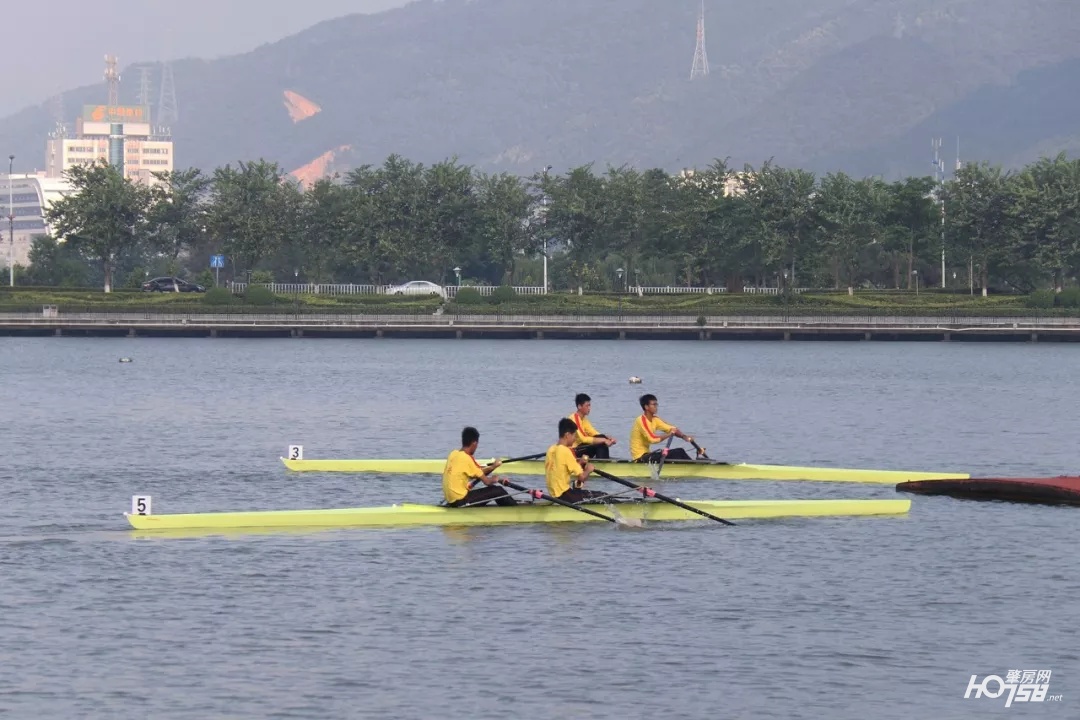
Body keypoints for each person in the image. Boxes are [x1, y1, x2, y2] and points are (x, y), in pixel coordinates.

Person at [443, 426, 517, 507]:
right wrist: (497, 479)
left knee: (494, 491)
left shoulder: (453, 453)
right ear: (474, 443)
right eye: (477, 444)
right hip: (461, 501)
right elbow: (487, 482)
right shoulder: (467, 458)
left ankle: (504, 510)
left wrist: (493, 467)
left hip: (451, 500)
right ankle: (515, 510)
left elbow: (478, 472)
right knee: (497, 490)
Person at [547, 417, 608, 503]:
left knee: (585, 491)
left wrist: (580, 463)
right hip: (564, 495)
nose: (575, 439)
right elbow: (582, 477)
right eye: (574, 435)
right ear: (567, 435)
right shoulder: (565, 451)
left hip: (553, 495)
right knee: (602, 496)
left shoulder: (551, 449)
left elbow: (562, 469)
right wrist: (589, 470)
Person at [629, 393, 702, 463]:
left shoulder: (655, 419)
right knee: (679, 451)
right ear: (646, 407)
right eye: (654, 404)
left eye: (656, 404)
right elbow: (652, 439)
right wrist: (669, 434)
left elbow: (673, 429)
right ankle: (694, 467)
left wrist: (684, 437)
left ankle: (691, 466)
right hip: (639, 458)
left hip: (648, 454)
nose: (656, 406)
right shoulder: (641, 420)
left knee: (678, 453)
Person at [569, 393, 617, 459]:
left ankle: (603, 460)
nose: (589, 408)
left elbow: (594, 433)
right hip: (573, 451)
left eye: (590, 406)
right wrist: (603, 440)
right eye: (587, 406)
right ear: (579, 406)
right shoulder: (575, 418)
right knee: (600, 441)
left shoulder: (584, 419)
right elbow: (583, 439)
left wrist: (607, 438)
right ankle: (603, 463)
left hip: (581, 448)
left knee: (601, 438)